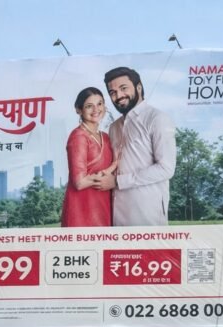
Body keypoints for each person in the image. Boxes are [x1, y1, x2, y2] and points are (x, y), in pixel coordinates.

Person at [94, 66, 176, 226]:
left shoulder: (157, 118)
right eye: (112, 92)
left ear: (138, 87)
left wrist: (118, 181)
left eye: (123, 88)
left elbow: (166, 168)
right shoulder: (114, 127)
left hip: (147, 215)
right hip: (117, 217)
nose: (118, 96)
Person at [61, 87, 116, 227]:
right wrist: (113, 166)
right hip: (82, 207)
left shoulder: (105, 137)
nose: (96, 109)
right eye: (89, 106)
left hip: (103, 203)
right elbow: (79, 183)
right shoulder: (78, 136)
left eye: (100, 104)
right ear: (78, 110)